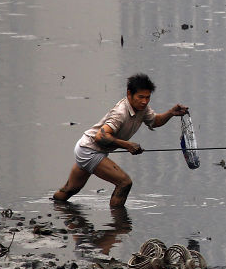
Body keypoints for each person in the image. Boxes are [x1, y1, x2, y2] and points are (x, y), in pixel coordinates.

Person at [53, 73, 188, 208]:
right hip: (90, 150)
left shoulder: (142, 108)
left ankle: (54, 207)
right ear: (129, 94)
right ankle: (118, 223)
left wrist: (171, 112)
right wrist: (127, 145)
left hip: (85, 147)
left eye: (147, 97)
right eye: (140, 97)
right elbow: (101, 136)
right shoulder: (121, 113)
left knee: (70, 189)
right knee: (124, 183)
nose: (144, 101)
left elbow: (155, 121)